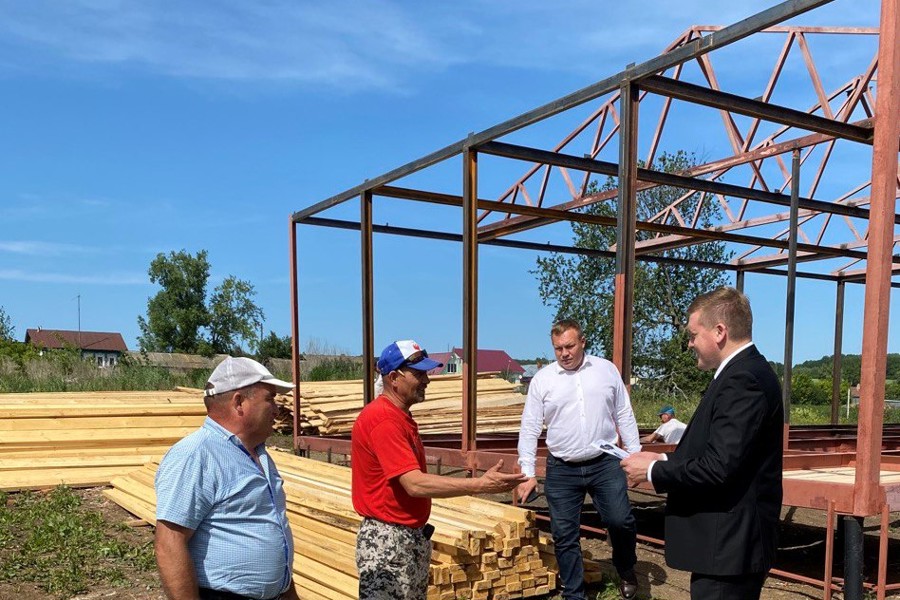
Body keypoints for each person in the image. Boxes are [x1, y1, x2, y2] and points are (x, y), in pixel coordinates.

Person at [621, 287, 783, 600]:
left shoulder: (742, 380)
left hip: (730, 549)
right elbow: (724, 456)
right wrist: (664, 462)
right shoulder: (743, 373)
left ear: (720, 331)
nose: (690, 342)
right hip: (726, 548)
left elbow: (719, 467)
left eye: (694, 334)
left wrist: (654, 471)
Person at [352, 339, 527, 600]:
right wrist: (479, 485)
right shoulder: (384, 420)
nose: (427, 380)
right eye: (419, 373)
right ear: (394, 378)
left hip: (404, 540)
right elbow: (415, 484)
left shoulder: (399, 417)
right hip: (388, 543)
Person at [154, 356, 299, 600]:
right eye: (269, 399)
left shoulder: (259, 454)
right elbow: (169, 543)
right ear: (239, 402)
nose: (277, 410)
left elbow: (269, 529)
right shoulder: (197, 454)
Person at [516, 320, 641, 600]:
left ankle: (626, 568)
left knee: (620, 520)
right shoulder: (543, 379)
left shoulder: (605, 370)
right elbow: (530, 427)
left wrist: (634, 456)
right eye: (558, 348)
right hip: (562, 468)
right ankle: (575, 594)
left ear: (583, 342)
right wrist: (528, 471)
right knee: (564, 534)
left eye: (570, 346)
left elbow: (624, 414)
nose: (564, 353)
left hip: (605, 462)